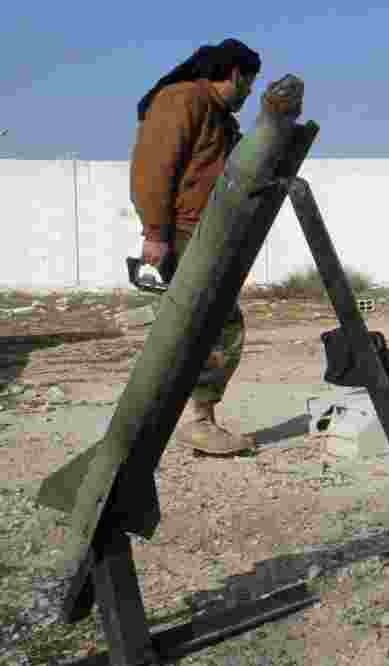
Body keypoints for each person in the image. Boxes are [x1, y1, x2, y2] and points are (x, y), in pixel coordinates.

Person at [130, 38, 261, 455]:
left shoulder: (216, 114)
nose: (249, 94)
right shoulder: (182, 100)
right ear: (236, 75)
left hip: (207, 233)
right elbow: (153, 168)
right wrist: (155, 234)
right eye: (250, 84)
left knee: (197, 328)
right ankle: (199, 423)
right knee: (218, 327)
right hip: (187, 235)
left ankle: (182, 422)